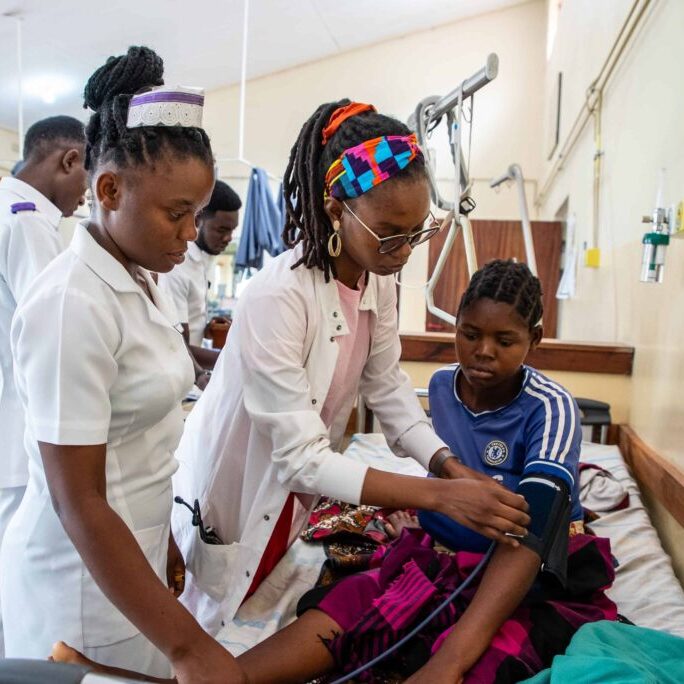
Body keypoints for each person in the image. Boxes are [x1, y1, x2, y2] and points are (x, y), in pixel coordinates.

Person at [50, 259, 617, 684]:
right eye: (470, 334)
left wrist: (450, 658)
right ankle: (106, 678)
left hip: (513, 581)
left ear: (535, 342)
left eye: (505, 340)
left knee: (465, 667)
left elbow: (532, 536)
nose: (483, 352)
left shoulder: (551, 409)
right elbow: (400, 439)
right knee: (316, 636)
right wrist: (442, 490)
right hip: (430, 562)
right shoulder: (443, 386)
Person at [170, 100, 530, 636]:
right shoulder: (278, 295)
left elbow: (387, 387)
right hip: (235, 489)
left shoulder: (378, 278)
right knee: (208, 629)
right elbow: (299, 458)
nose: (405, 251)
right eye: (390, 233)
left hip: (292, 493)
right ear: (337, 210)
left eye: (417, 233)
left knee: (257, 616)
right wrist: (442, 496)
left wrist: (448, 466)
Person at [0, 46, 245, 683]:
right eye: (176, 213)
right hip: (77, 580)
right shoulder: (69, 303)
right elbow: (78, 498)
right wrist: (190, 646)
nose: (190, 233)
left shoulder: (143, 278)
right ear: (108, 190)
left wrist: (159, 534)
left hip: (128, 560)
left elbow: (136, 440)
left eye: (195, 213)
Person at [0, 115, 87, 654]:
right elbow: (58, 328)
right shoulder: (29, 220)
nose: (85, 196)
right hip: (14, 434)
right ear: (69, 161)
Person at [158, 179, 241, 385]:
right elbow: (178, 343)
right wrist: (235, 359)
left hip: (190, 371)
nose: (228, 238)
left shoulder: (201, 262)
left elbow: (191, 324)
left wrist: (209, 326)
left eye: (231, 231)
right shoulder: (177, 268)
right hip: (177, 375)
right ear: (198, 220)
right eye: (221, 230)